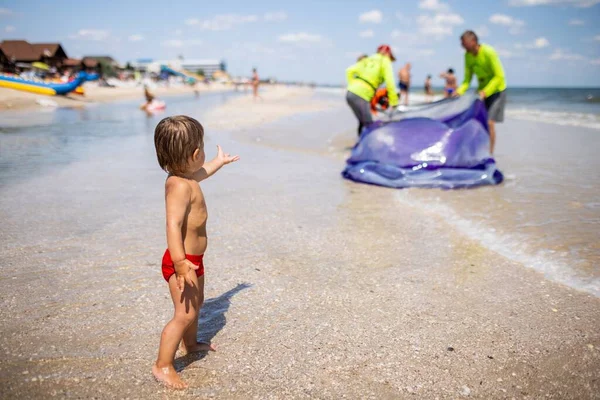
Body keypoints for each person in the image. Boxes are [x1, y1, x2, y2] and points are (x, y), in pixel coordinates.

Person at [152, 116, 240, 389]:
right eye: (201, 148)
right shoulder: (178, 185)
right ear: (194, 153)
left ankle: (189, 344)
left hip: (194, 261)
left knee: (196, 305)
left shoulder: (186, 176)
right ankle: (163, 365)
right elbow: (172, 224)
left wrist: (219, 163)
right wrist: (179, 263)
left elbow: (203, 173)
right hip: (183, 262)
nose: (203, 153)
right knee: (184, 314)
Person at [456, 30, 507, 154]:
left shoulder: (488, 52)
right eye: (462, 44)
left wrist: (486, 91)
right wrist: (459, 91)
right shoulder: (467, 56)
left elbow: (499, 76)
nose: (462, 46)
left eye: (464, 43)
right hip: (481, 93)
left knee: (490, 122)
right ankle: (479, 150)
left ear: (473, 41)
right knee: (478, 122)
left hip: (497, 91)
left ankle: (490, 154)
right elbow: (467, 79)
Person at [345, 44, 399, 136]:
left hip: (350, 94)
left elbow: (349, 71)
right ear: (387, 53)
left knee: (363, 122)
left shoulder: (368, 59)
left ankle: (361, 144)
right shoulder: (385, 60)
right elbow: (390, 82)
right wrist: (394, 102)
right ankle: (368, 147)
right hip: (361, 95)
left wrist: (352, 85)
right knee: (369, 125)